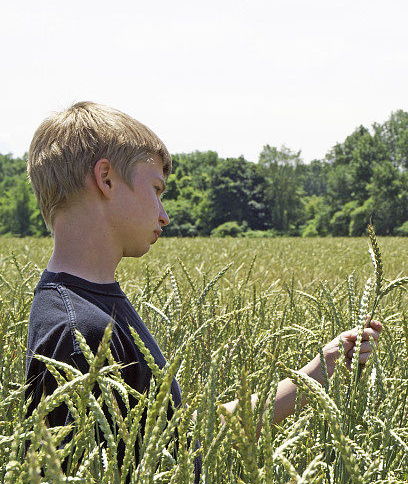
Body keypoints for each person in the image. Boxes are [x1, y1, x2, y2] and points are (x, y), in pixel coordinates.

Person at [24, 101, 382, 476]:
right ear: (106, 179)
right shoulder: (80, 331)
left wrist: (314, 374)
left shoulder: (89, 306)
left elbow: (174, 439)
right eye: (156, 190)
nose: (164, 214)